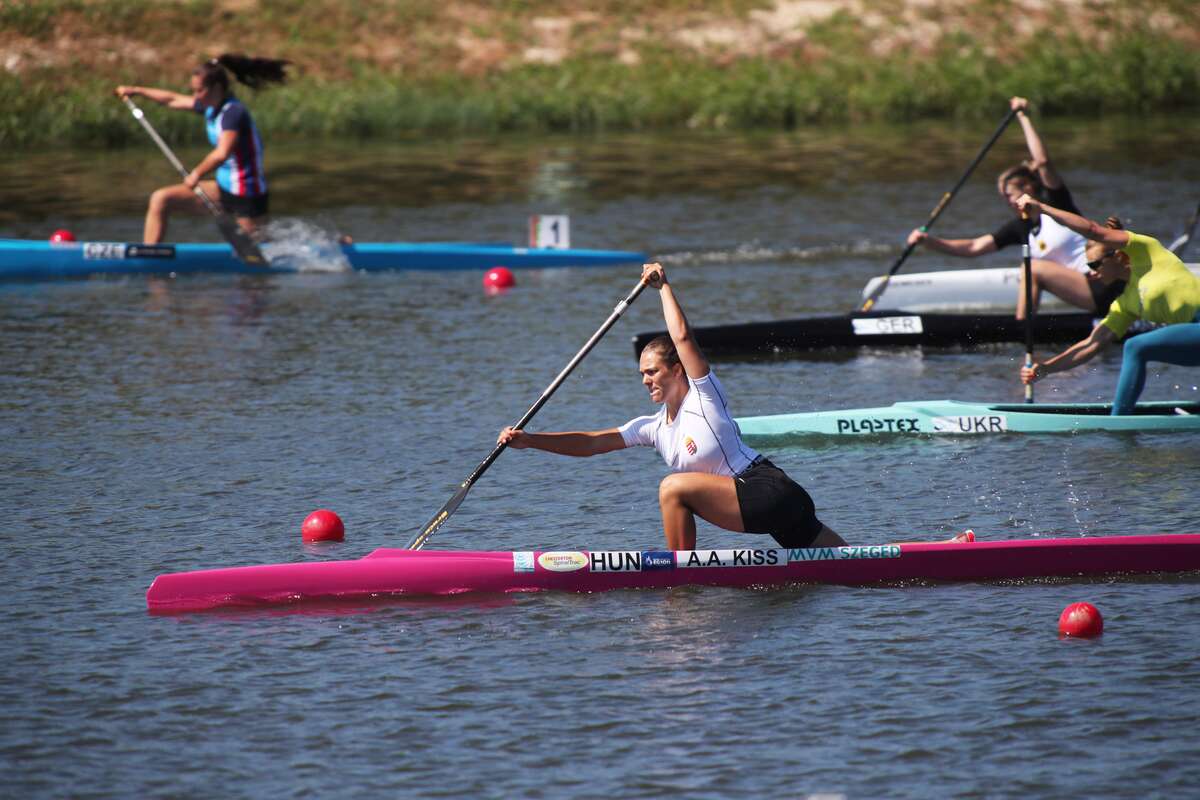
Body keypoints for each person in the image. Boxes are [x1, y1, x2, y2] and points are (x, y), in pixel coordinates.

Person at [499, 263, 973, 550]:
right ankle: (943, 550)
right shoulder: (652, 427)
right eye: (641, 374)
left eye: (653, 371)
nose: (645, 379)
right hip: (776, 503)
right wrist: (530, 441)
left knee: (672, 488)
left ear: (677, 370)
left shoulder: (702, 393)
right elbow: (592, 443)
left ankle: (680, 576)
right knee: (853, 563)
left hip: (767, 489)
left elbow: (682, 337)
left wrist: (664, 287)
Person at [906, 96, 1124, 320]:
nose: (1008, 201)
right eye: (1004, 197)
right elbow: (973, 247)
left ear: (1028, 187)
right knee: (1031, 268)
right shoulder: (1021, 227)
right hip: (1086, 292)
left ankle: (1021, 327)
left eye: (1010, 195)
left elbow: (1042, 161)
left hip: (1106, 286)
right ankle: (1025, 325)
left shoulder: (1057, 204)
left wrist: (1022, 116)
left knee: (1033, 268)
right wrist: (929, 242)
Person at [1016, 195, 1200, 415]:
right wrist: (1046, 369)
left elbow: (1093, 230)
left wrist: (1042, 208)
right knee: (1138, 349)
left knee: (1135, 347)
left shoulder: (1147, 251)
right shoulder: (1126, 303)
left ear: (1118, 256)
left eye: (1095, 265)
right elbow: (1091, 345)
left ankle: (1118, 423)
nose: (1091, 273)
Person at [115, 54, 289, 244]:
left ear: (217, 88)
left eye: (199, 90)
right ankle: (149, 254)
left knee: (257, 247)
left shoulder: (233, 113)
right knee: (161, 199)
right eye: (194, 91)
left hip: (246, 193)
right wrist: (137, 91)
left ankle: (291, 253)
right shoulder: (210, 107)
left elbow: (222, 153)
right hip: (223, 188)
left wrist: (196, 174)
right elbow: (172, 99)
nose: (196, 96)